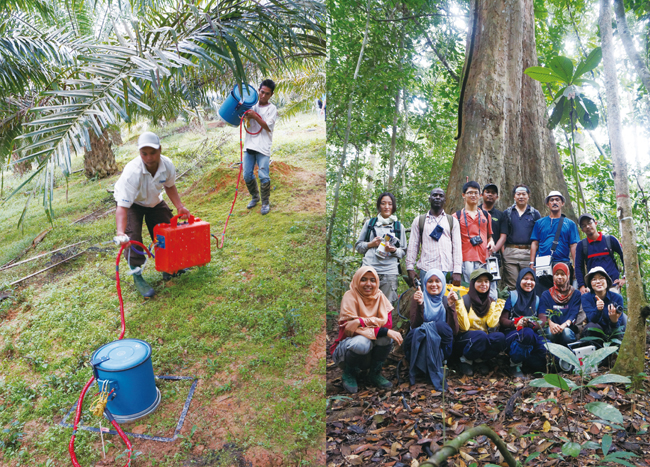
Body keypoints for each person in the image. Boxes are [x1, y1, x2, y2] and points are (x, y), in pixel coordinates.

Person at [113, 132, 190, 298]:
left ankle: (168, 267)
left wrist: (179, 206)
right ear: (139, 153)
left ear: (160, 150)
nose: (148, 158)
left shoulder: (167, 165)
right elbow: (122, 207)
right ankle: (137, 275)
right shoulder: (132, 172)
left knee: (167, 230)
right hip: (131, 204)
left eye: (153, 153)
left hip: (153, 201)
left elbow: (169, 186)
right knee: (132, 237)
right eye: (144, 153)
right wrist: (121, 232)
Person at [330, 266, 404, 393]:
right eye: (363, 279)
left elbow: (387, 325)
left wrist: (360, 321)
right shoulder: (350, 296)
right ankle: (349, 373)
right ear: (357, 280)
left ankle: (374, 373)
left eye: (372, 280)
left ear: (377, 282)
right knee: (362, 341)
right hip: (347, 351)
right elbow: (350, 329)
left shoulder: (380, 297)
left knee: (386, 338)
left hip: (369, 353)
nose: (368, 284)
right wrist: (375, 325)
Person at [404, 269, 459, 390]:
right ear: (425, 284)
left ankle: (437, 366)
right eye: (430, 281)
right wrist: (420, 305)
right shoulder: (419, 297)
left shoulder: (446, 300)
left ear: (443, 284)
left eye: (437, 281)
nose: (434, 284)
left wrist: (451, 306)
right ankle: (421, 367)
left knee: (442, 327)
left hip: (440, 345)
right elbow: (415, 326)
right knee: (417, 333)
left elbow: (453, 331)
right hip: (421, 343)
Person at [450, 268, 506, 376]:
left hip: (481, 339)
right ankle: (465, 360)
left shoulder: (490, 301)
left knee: (500, 338)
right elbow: (464, 327)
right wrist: (458, 303)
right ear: (472, 283)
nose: (483, 284)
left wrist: (501, 302)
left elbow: (491, 324)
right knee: (480, 336)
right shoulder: (465, 299)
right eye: (479, 281)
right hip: (465, 339)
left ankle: (479, 360)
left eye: (486, 281)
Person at [355, 192, 408, 304]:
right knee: (365, 304)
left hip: (389, 272)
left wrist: (393, 250)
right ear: (379, 205)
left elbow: (403, 251)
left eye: (389, 204)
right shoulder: (370, 223)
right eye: (383, 203)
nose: (386, 207)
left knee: (386, 305)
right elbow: (358, 247)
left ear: (393, 206)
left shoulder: (399, 227)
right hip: (369, 270)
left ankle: (383, 322)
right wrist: (371, 244)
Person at [406, 188, 462, 286]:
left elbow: (457, 247)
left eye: (441, 196)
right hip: (426, 270)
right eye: (434, 195)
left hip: (447, 271)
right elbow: (413, 246)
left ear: (445, 200)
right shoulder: (419, 220)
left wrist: (457, 271)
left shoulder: (452, 221)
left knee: (447, 300)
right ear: (429, 199)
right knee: (425, 300)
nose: (437, 197)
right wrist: (410, 268)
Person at [530, 191, 580, 295]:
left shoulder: (570, 224)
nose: (554, 202)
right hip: (542, 264)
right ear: (548, 204)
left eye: (557, 200)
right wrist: (532, 264)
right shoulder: (540, 223)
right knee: (542, 293)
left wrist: (576, 266)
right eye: (551, 200)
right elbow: (534, 243)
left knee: (563, 293)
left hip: (562, 262)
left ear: (562, 203)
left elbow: (574, 245)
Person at [500, 268, 547, 376]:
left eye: (532, 279)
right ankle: (515, 364)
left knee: (548, 350)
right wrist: (515, 323)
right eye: (525, 279)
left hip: (532, 332)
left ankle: (527, 363)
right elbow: (503, 320)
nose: (529, 282)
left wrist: (531, 324)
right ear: (519, 280)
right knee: (526, 333)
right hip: (513, 333)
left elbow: (542, 320)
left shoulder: (537, 299)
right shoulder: (511, 296)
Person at [494, 184, 541, 290]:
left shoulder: (534, 213)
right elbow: (503, 234)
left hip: (528, 252)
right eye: (518, 194)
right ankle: (513, 305)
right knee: (512, 285)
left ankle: (527, 306)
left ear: (528, 196)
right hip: (511, 251)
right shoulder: (508, 213)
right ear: (514, 197)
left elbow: (538, 236)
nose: (521, 196)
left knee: (527, 283)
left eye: (524, 194)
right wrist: (504, 253)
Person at [454, 181, 496, 299]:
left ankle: (490, 315)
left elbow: (489, 236)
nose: (473, 195)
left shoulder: (486, 215)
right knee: (469, 290)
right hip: (466, 259)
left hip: (484, 258)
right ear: (463, 195)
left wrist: (491, 242)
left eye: (476, 193)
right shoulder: (456, 216)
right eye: (470, 193)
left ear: (480, 195)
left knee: (489, 291)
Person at [243, 79, 278, 215]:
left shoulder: (272, 109)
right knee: (247, 175)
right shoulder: (251, 105)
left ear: (271, 95)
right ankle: (255, 197)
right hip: (249, 145)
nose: (263, 96)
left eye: (267, 94)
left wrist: (255, 117)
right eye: (262, 92)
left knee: (263, 175)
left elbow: (268, 127)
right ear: (258, 91)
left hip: (263, 146)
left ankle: (265, 203)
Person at [576, 213, 625, 294]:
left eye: (589, 223)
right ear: (582, 230)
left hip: (612, 285)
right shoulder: (581, 245)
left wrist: (624, 278)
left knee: (614, 307)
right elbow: (578, 266)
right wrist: (581, 286)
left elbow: (624, 256)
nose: (587, 226)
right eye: (584, 225)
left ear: (595, 223)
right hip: (594, 288)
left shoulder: (610, 240)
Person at [581, 267, 626, 345]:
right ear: (590, 284)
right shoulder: (586, 297)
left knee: (619, 332)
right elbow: (591, 319)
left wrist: (614, 320)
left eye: (601, 278)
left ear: (607, 281)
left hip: (612, 330)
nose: (598, 281)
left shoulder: (617, 298)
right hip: (596, 334)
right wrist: (598, 309)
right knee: (591, 327)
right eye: (594, 279)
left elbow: (619, 325)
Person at [539, 263, 581, 346]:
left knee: (566, 333)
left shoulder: (575, 294)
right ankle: (552, 357)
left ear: (568, 275)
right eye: (556, 274)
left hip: (568, 328)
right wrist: (551, 324)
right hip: (552, 328)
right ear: (553, 276)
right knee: (550, 333)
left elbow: (574, 314)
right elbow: (543, 313)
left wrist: (563, 326)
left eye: (562, 274)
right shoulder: (546, 294)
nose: (559, 277)